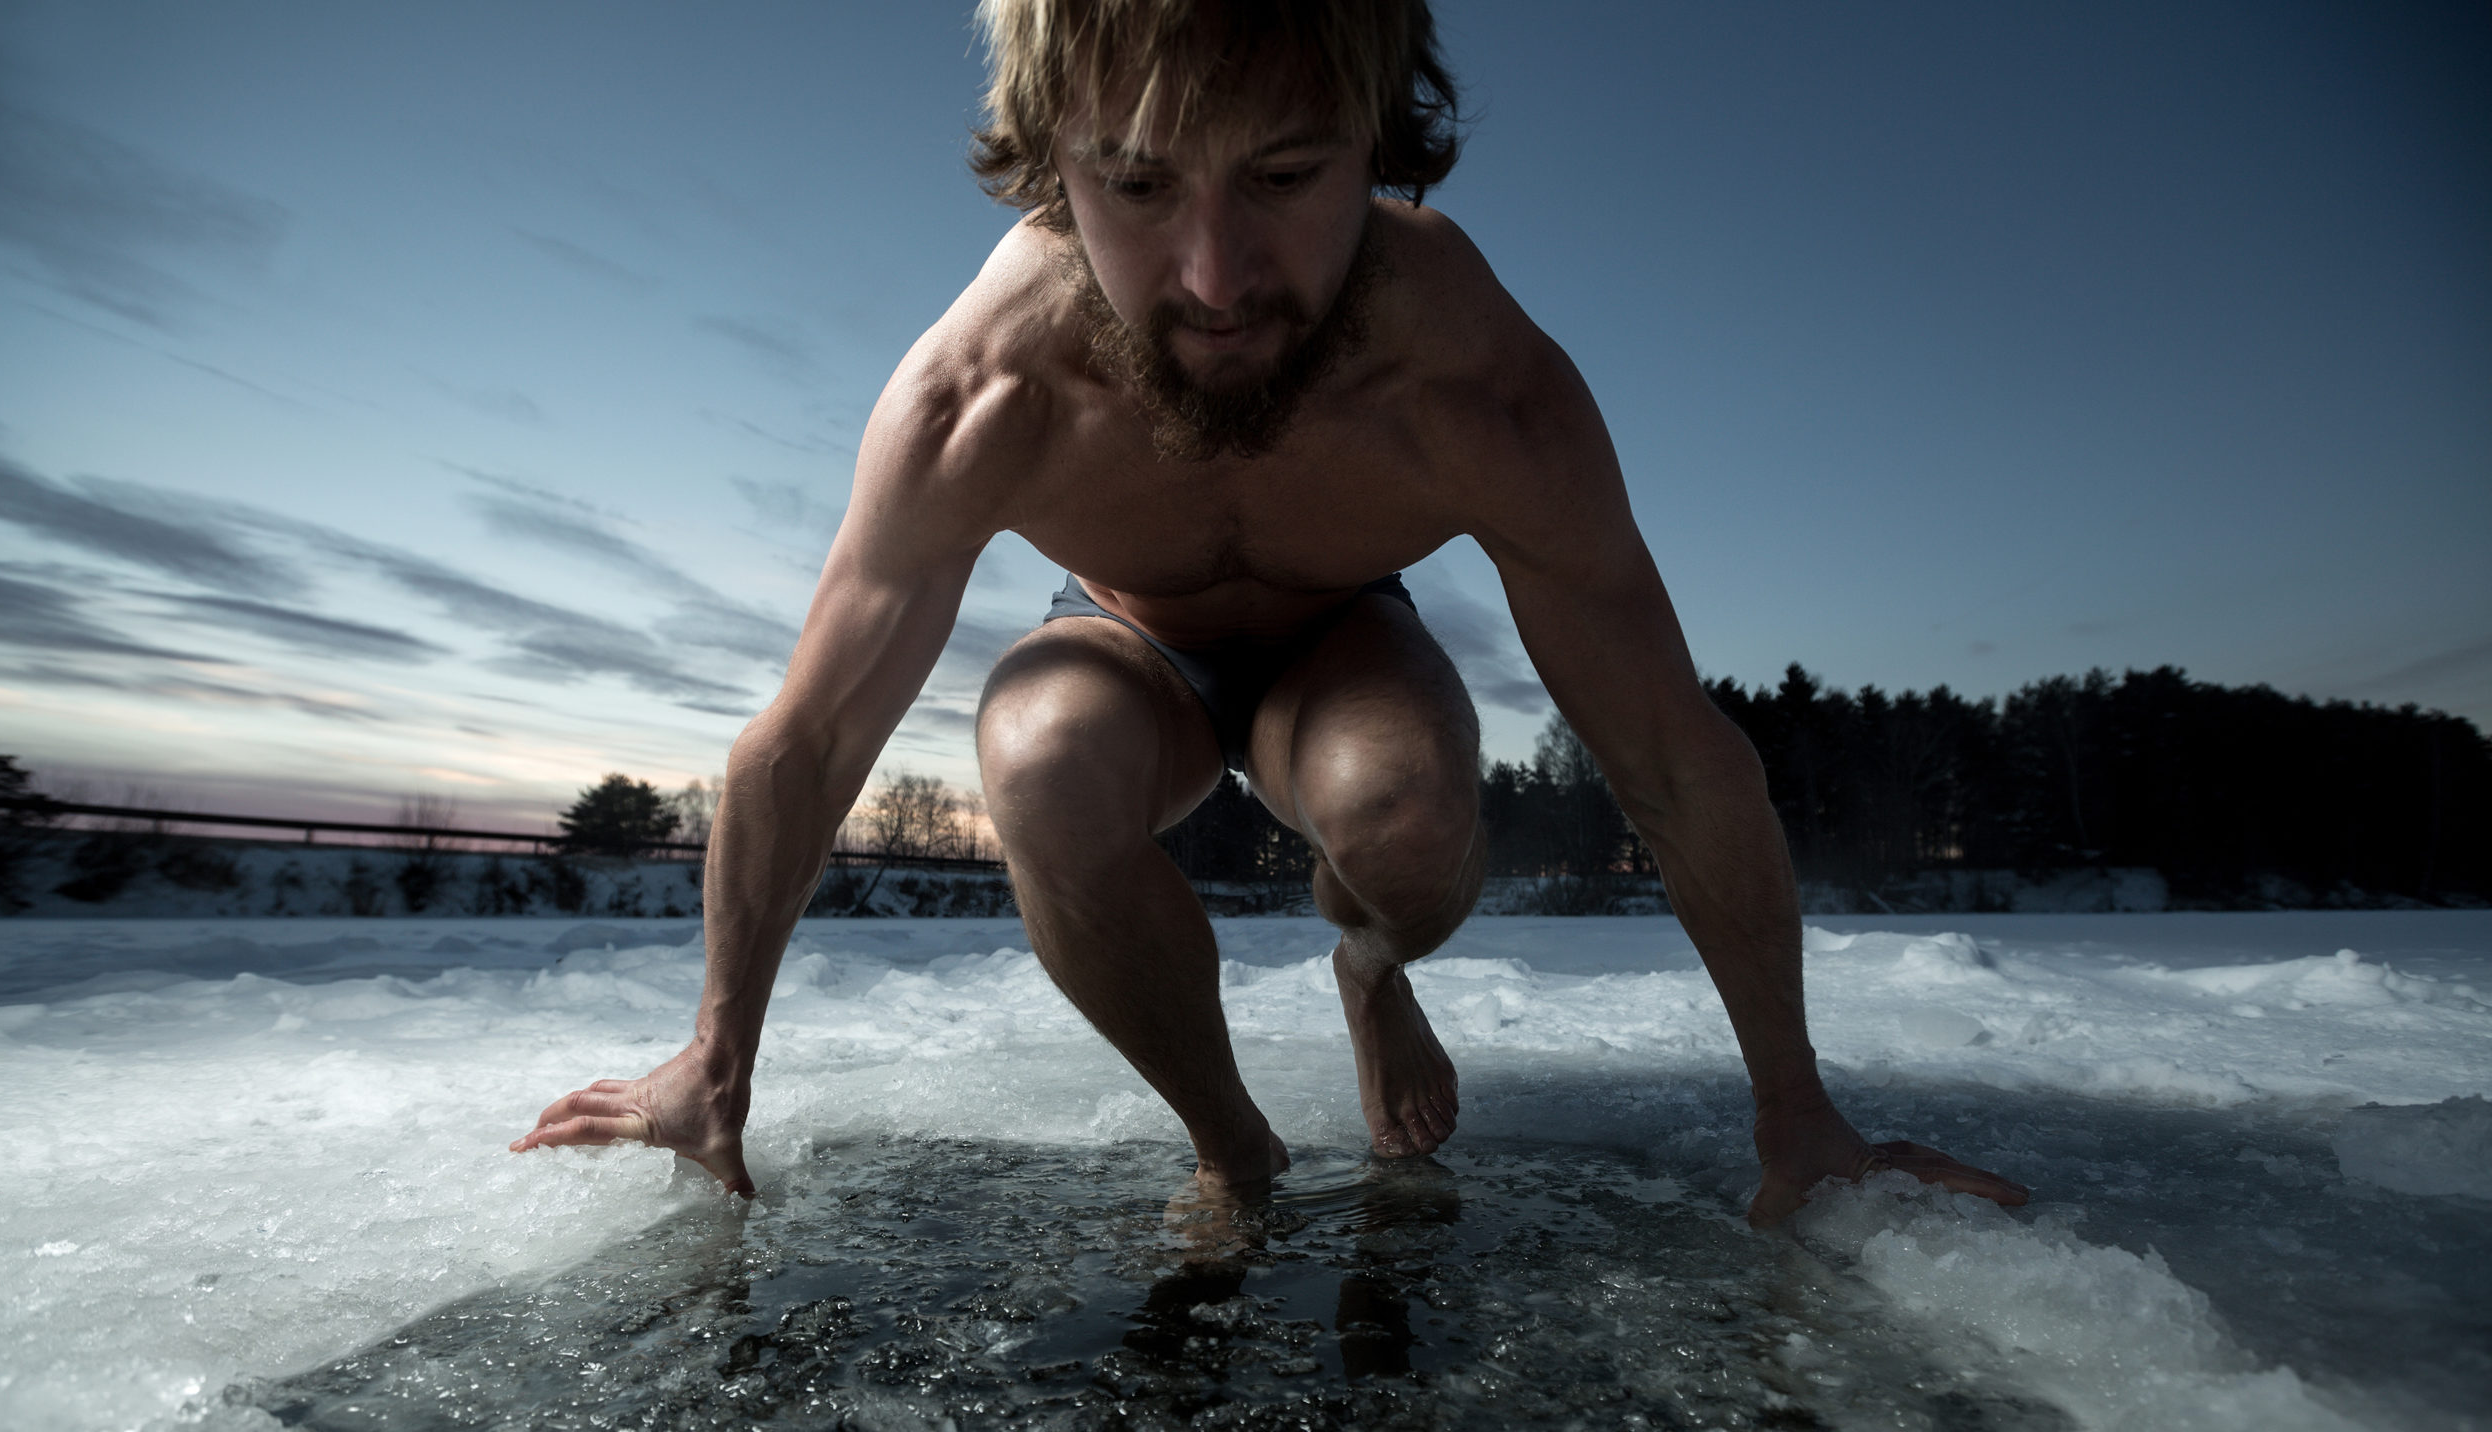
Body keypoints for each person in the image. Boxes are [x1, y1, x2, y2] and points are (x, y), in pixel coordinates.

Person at [515, 0, 2027, 1230]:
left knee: (1409, 818)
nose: (1217, 278)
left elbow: (1674, 755)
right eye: (1142, 182)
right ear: (1057, 159)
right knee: (1038, 769)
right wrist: (716, 1058)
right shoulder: (986, 391)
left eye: (1289, 179)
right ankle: (1234, 1149)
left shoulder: (1475, 387)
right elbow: (811, 734)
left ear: (1379, 141)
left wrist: (1798, 1113)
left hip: (1339, 642)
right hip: (1122, 646)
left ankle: (1367, 973)